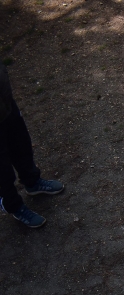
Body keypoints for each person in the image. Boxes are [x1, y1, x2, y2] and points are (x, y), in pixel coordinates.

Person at [0, 65, 64, 228]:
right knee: (2, 170)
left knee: (21, 144)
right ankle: (15, 207)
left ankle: (32, 182)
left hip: (4, 101)